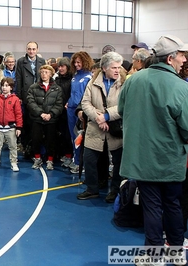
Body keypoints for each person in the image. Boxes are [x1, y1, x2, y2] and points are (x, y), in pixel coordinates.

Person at [118, 35, 188, 257]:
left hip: (142, 158)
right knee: (173, 205)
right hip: (171, 160)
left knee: (152, 207)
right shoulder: (181, 87)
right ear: (170, 58)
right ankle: (175, 252)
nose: (184, 60)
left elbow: (121, 110)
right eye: (181, 56)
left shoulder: (133, 80)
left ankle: (154, 254)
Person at [76, 52, 125, 203]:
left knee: (118, 162)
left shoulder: (124, 83)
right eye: (113, 67)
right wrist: (98, 117)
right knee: (89, 160)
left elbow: (125, 105)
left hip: (116, 129)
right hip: (95, 128)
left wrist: (106, 116)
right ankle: (92, 189)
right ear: (104, 68)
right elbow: (85, 103)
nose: (117, 70)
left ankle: (115, 191)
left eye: (119, 67)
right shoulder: (93, 82)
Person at [26, 65, 63, 170]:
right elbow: (30, 102)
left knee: (51, 140)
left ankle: (50, 160)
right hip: (37, 119)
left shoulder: (57, 89)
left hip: (51, 120)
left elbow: (59, 104)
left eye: (46, 72)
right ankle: (37, 158)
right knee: (36, 139)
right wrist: (40, 113)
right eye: (42, 72)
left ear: (51, 74)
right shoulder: (33, 87)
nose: (44, 74)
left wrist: (50, 114)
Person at [15, 41, 46, 157]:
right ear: (26, 50)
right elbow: (18, 80)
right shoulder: (21, 62)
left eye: (33, 49)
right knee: (27, 122)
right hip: (26, 95)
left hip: (39, 94)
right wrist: (19, 96)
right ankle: (26, 146)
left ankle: (36, 147)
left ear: (37, 50)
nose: (31, 51)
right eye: (29, 49)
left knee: (37, 123)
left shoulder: (42, 61)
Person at [66, 51, 94, 174]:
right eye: (75, 62)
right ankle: (75, 159)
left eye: (79, 62)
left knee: (80, 137)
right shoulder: (75, 76)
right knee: (73, 137)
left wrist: (81, 109)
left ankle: (79, 163)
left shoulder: (89, 77)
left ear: (85, 62)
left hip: (80, 111)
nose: (76, 64)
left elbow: (87, 96)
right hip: (70, 110)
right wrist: (68, 102)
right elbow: (73, 93)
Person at [0, 77, 23, 171]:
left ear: (11, 87)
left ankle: (14, 162)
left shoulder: (15, 99)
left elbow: (18, 114)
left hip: (11, 128)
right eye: (3, 85)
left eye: (7, 86)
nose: (4, 88)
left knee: (13, 146)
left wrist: (19, 127)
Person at [54, 57, 73, 167]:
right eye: (59, 66)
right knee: (60, 134)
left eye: (63, 66)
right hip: (58, 110)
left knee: (68, 135)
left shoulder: (72, 79)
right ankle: (62, 154)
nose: (60, 68)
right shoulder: (57, 80)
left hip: (68, 110)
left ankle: (69, 155)